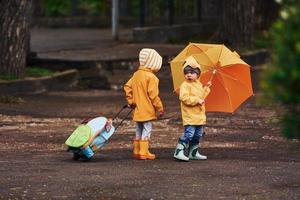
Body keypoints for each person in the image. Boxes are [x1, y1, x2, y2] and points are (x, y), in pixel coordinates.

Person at [124, 48, 164, 160]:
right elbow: (153, 96)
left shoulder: (136, 74)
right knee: (147, 129)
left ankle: (136, 151)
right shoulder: (152, 77)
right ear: (153, 63)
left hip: (137, 109)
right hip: (146, 110)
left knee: (138, 129)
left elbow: (127, 86)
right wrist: (160, 108)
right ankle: (144, 151)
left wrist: (130, 101)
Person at [173, 56, 212, 161]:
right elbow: (184, 98)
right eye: (186, 73)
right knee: (189, 134)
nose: (189, 75)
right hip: (190, 116)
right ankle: (178, 151)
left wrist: (206, 88)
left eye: (192, 72)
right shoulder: (185, 85)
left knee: (197, 135)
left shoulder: (199, 84)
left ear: (198, 74)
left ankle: (193, 153)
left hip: (199, 116)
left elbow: (201, 98)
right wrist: (196, 101)